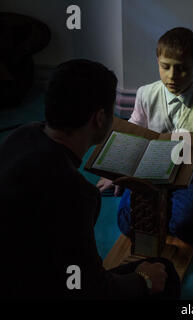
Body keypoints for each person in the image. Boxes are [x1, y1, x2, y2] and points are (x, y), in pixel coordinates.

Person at [0, 59, 180, 299]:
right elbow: (90, 291)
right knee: (163, 272)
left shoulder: (21, 134)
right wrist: (143, 281)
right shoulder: (74, 193)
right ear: (99, 118)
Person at [97, 27, 193, 245]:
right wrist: (115, 170)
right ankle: (162, 205)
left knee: (187, 228)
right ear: (158, 63)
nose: (172, 76)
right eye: (165, 67)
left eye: (182, 69)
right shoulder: (146, 94)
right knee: (128, 224)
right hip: (149, 169)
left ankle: (175, 207)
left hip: (190, 173)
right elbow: (134, 130)